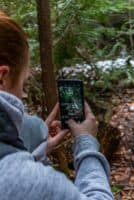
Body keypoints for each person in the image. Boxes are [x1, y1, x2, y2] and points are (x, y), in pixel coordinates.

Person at [0, 11, 113, 200]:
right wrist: (86, 144)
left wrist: (37, 148)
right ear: (2, 76)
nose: (22, 94)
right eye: (23, 83)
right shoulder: (30, 182)